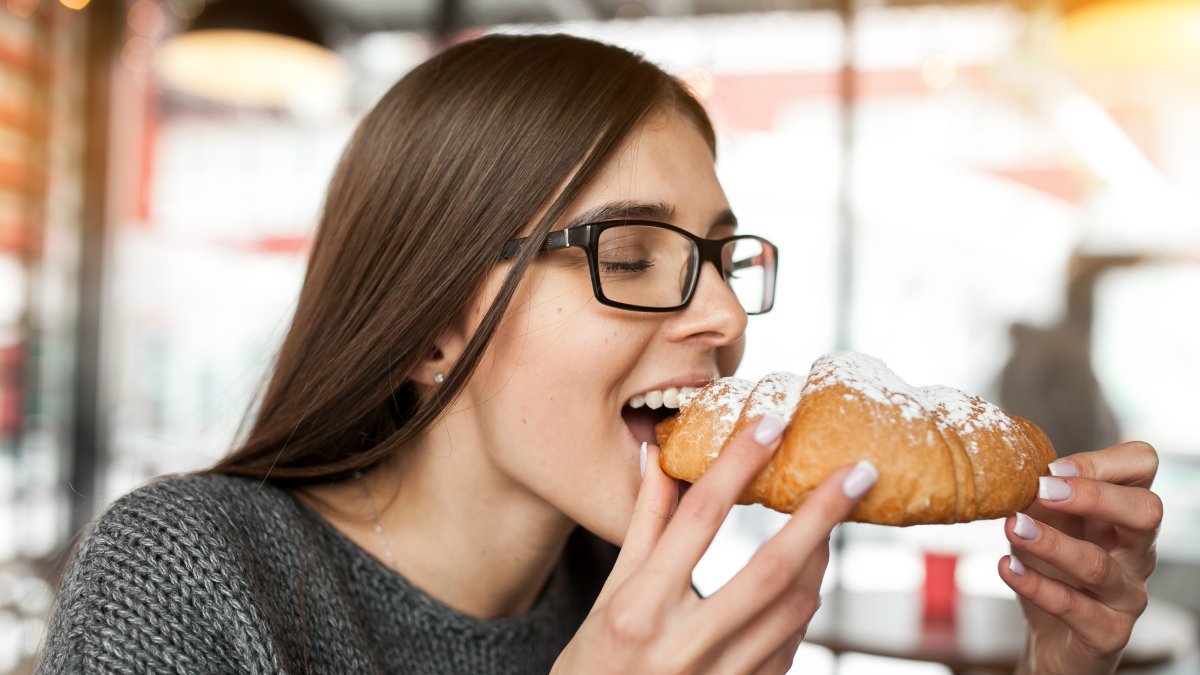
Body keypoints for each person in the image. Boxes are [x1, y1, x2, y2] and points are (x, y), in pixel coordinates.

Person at [36, 33, 1162, 674]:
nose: (723, 317)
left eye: (723, 258)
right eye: (632, 252)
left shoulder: (649, 604)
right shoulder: (192, 576)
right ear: (434, 322)